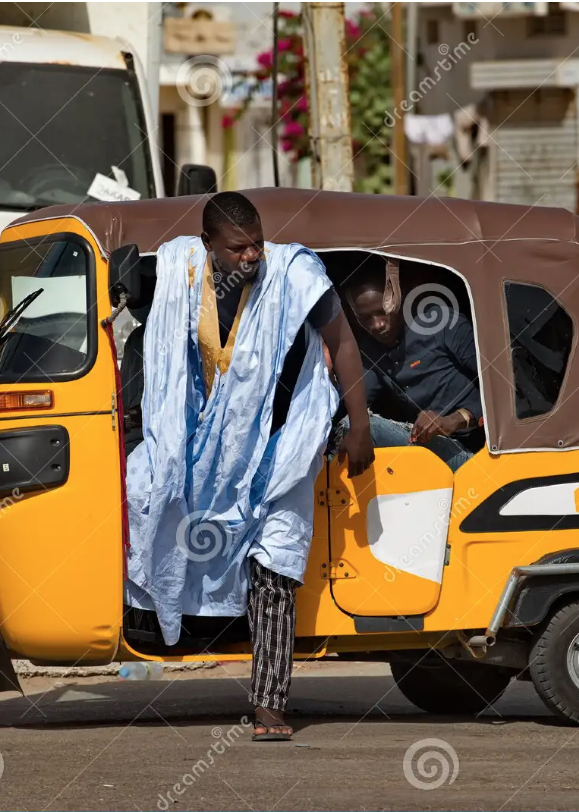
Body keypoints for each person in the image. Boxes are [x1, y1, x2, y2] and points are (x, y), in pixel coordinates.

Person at [125, 192, 374, 743]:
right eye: (238, 247)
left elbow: (342, 343)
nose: (252, 255)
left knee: (274, 572)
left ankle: (269, 705)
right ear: (209, 244)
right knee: (146, 498)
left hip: (285, 451)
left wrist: (358, 426)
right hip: (210, 461)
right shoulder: (181, 273)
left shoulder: (293, 274)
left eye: (257, 242)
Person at [341, 264, 484, 471]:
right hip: (426, 453)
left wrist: (455, 420)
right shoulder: (370, 352)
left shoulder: (443, 324)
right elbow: (349, 402)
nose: (377, 325)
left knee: (362, 428)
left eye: (382, 312)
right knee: (351, 426)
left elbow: (503, 387)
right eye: (365, 318)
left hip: (478, 456)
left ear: (398, 299)